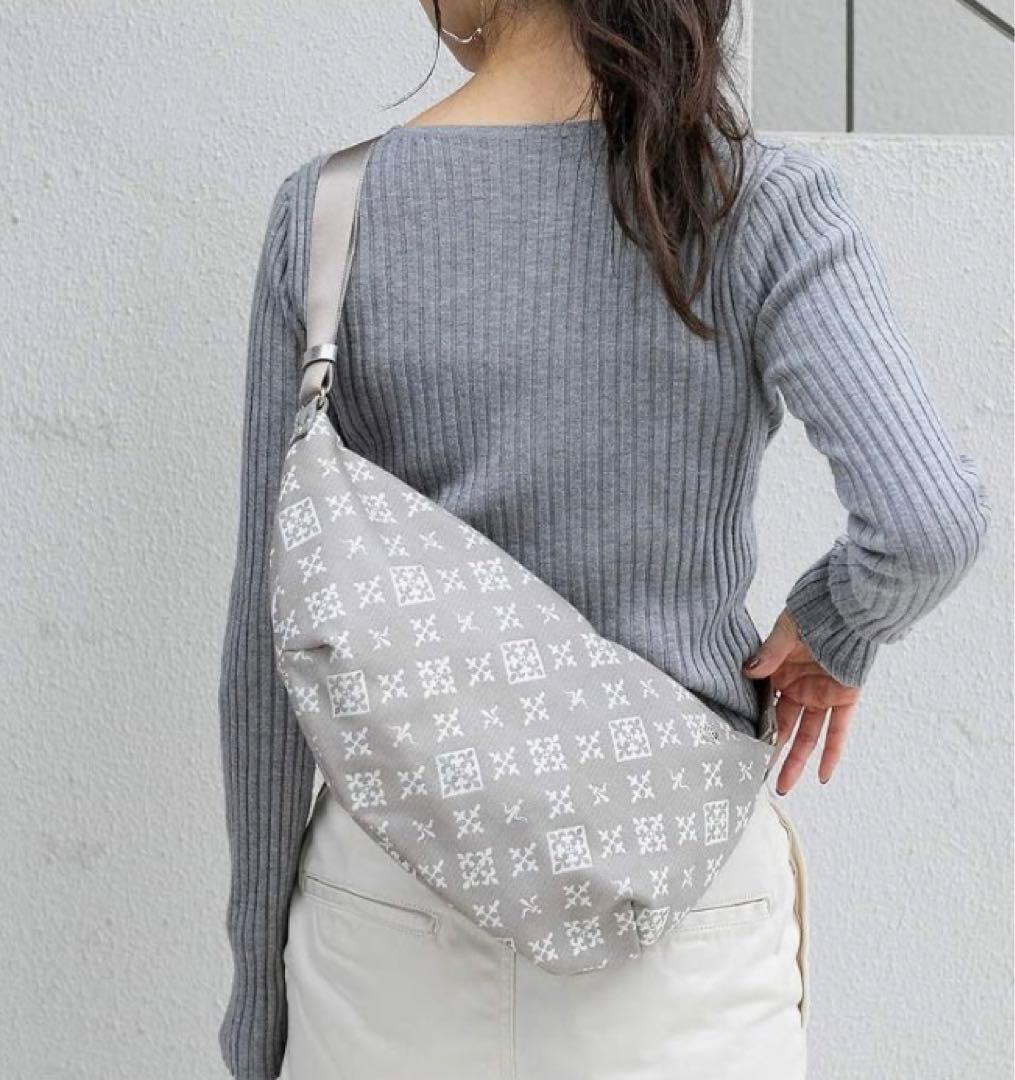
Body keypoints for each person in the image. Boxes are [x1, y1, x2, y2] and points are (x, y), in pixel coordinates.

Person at [216, 2, 993, 1078]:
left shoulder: (329, 213)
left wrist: (259, 1004)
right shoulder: (752, 199)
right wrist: (831, 628)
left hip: (389, 908)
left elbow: (268, 649)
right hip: (676, 905)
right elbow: (927, 521)